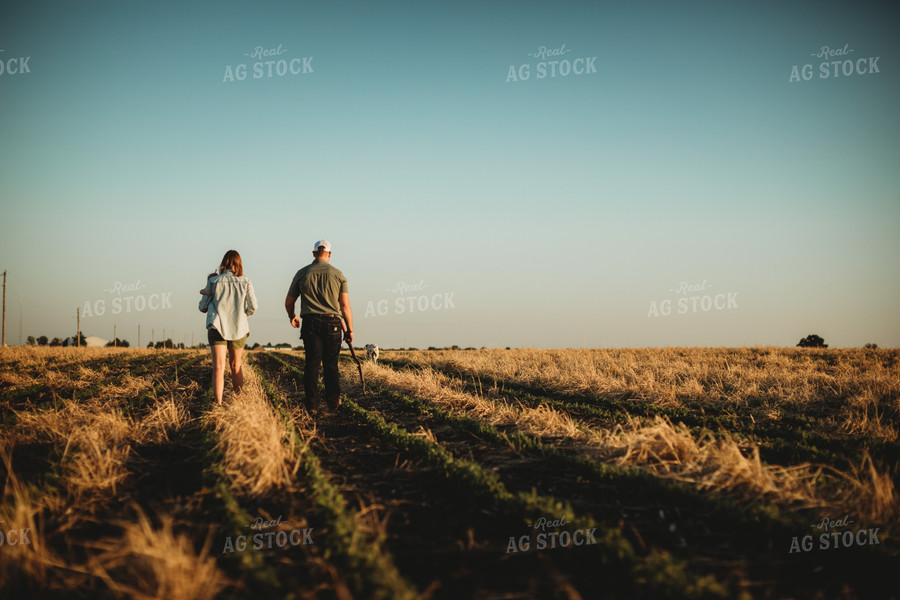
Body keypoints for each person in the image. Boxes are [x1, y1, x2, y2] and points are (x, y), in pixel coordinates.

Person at [285, 239, 354, 414]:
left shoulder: (302, 273)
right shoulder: (338, 275)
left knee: (312, 364)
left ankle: (313, 405)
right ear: (330, 254)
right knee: (331, 364)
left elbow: (289, 301)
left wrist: (292, 315)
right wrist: (350, 329)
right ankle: (332, 403)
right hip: (334, 324)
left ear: (314, 253)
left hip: (310, 323)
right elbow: (345, 305)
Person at [199, 250, 258, 404]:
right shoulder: (246, 281)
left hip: (217, 326)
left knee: (218, 366)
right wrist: (243, 314)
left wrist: (208, 286)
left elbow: (202, 306)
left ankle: (218, 404)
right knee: (236, 365)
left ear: (223, 263)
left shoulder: (214, 281)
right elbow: (253, 307)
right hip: (239, 327)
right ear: (239, 264)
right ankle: (238, 402)